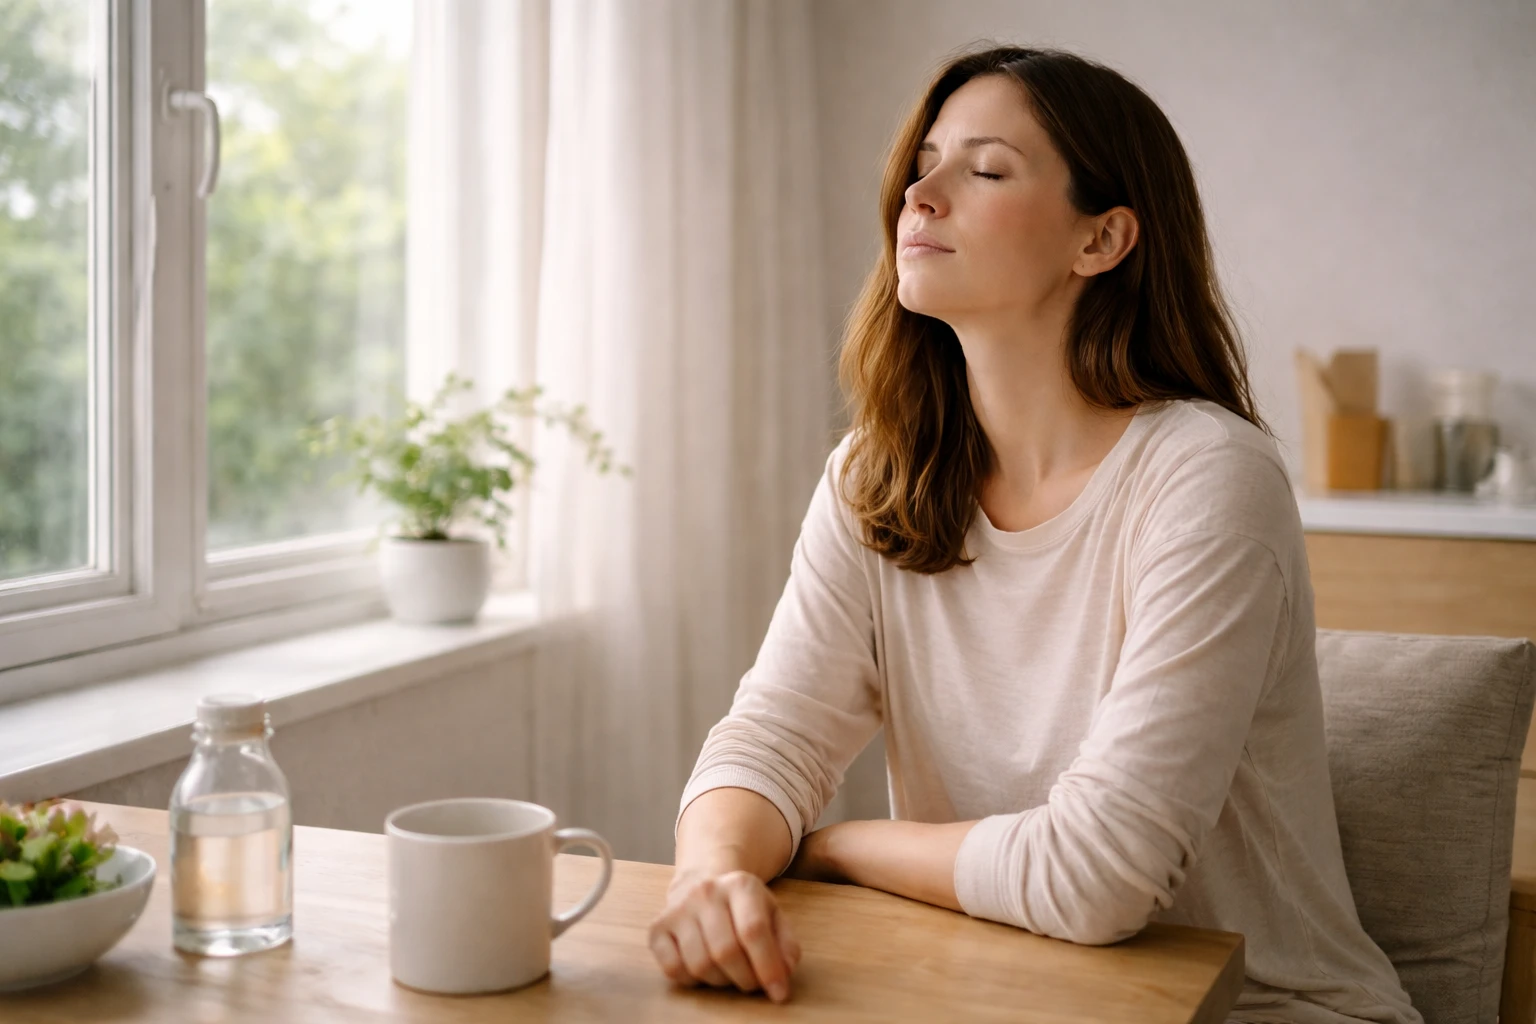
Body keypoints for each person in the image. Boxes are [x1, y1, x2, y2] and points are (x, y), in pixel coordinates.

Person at [648, 45, 1422, 1024]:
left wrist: (834, 844)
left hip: (1266, 1006)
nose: (919, 196)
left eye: (984, 169)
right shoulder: (874, 477)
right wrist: (710, 875)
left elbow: (1096, 876)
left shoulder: (1207, 479)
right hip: (1005, 989)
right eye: (924, 161)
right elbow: (772, 737)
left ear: (1100, 241)